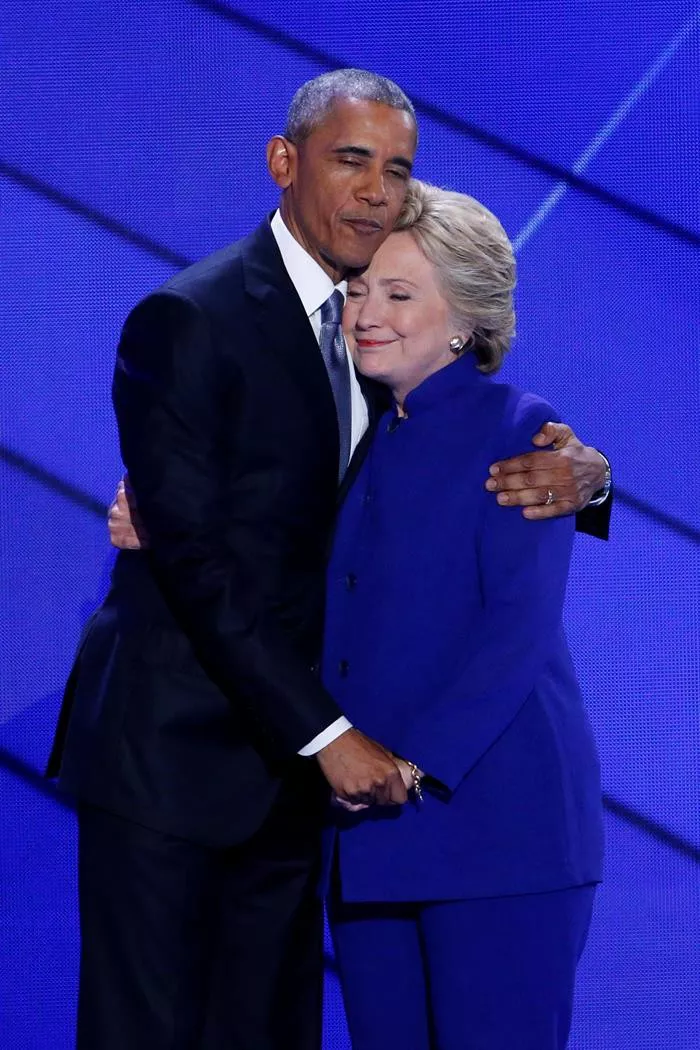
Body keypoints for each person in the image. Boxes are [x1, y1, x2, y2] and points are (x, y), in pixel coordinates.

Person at [48, 70, 609, 1050]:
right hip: (188, 767)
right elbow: (203, 551)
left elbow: (481, 502)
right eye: (352, 159)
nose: (373, 189)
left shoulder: (436, 383)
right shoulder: (194, 319)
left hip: (348, 798)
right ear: (284, 162)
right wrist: (326, 737)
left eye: (395, 170)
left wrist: (593, 480)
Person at [323, 179, 604, 1050]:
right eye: (361, 286)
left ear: (465, 321)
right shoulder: (355, 427)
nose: (367, 310)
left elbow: (513, 633)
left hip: (495, 831)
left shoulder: (526, 433)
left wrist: (411, 765)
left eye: (399, 293)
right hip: (366, 835)